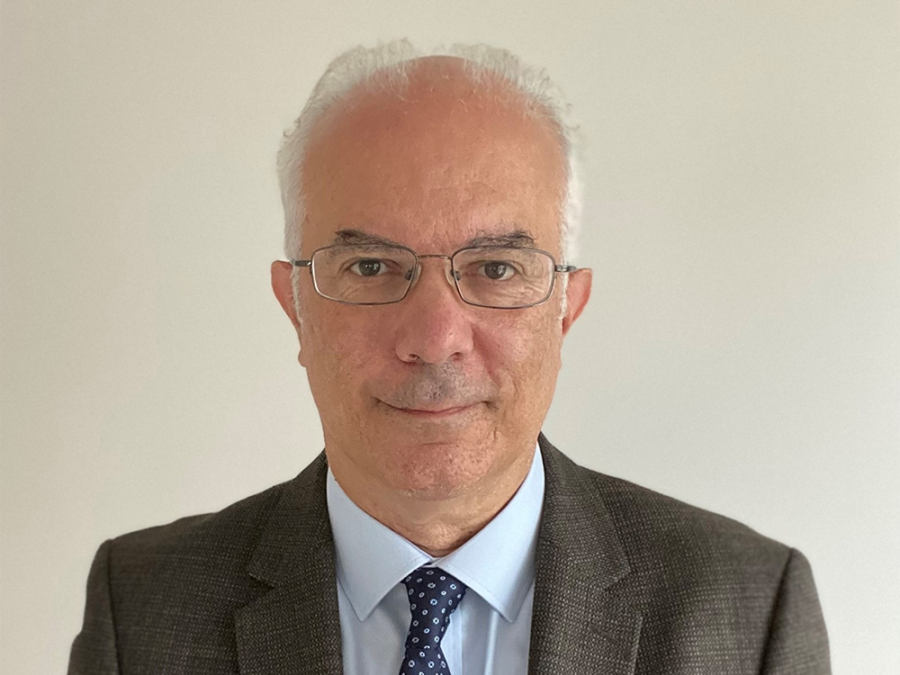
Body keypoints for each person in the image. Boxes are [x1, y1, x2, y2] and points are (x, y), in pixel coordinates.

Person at [68, 41, 830, 675]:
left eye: (497, 269)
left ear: (567, 308)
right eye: (370, 267)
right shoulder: (140, 610)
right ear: (294, 305)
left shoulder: (749, 609)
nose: (435, 336)